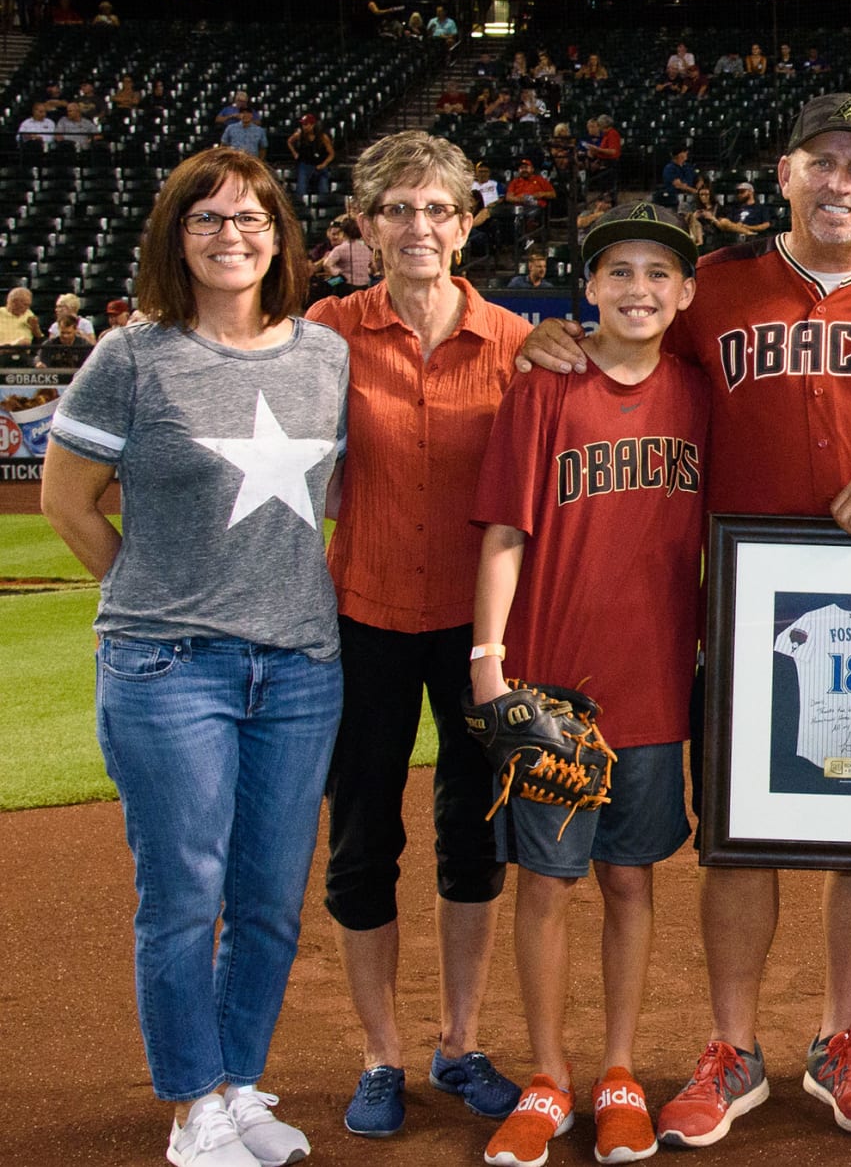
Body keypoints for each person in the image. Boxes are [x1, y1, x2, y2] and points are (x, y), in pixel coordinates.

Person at [516, 93, 851, 1145]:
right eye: (821, 162)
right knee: (740, 838)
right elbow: (630, 353)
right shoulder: (718, 288)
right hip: (744, 611)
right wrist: (551, 343)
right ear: (786, 174)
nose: (840, 182)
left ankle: (843, 1040)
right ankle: (734, 1046)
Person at [40, 145, 347, 1167]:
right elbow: (66, 502)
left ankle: (241, 1087)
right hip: (170, 668)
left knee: (267, 897)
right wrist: (149, 595)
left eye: (252, 219)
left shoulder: (323, 354)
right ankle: (191, 1107)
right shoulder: (133, 356)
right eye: (208, 219)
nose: (232, 237)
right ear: (177, 236)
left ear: (280, 237)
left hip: (302, 666)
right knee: (183, 894)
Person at [307, 132, 535, 1139]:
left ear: (467, 222)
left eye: (437, 209)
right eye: (396, 210)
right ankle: (380, 1056)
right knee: (363, 842)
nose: (417, 228)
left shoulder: (521, 343)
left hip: (478, 634)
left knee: (474, 839)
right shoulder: (325, 332)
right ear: (365, 225)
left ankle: (461, 1041)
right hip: (361, 621)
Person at [472, 205, 708, 1167]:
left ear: (686, 294)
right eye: (619, 272)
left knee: (629, 880)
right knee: (545, 884)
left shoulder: (700, 394)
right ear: (589, 290)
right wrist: (487, 660)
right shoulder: (543, 393)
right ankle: (547, 1075)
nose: (639, 289)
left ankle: (617, 1070)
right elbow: (504, 532)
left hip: (654, 684)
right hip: (554, 694)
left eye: (659, 273)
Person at [287, 114, 336, 204]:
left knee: (323, 191)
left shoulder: (322, 137)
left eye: (306, 124)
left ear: (312, 125)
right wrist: (295, 153)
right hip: (305, 165)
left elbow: (331, 154)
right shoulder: (300, 134)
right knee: (301, 190)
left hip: (319, 166)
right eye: (303, 125)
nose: (304, 127)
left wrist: (324, 164)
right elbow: (289, 142)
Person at [655, 146, 702, 213]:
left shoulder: (688, 166)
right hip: (676, 197)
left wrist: (700, 183)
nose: (687, 154)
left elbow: (698, 177)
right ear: (680, 154)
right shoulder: (670, 168)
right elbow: (679, 185)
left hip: (691, 196)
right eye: (685, 152)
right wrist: (695, 191)